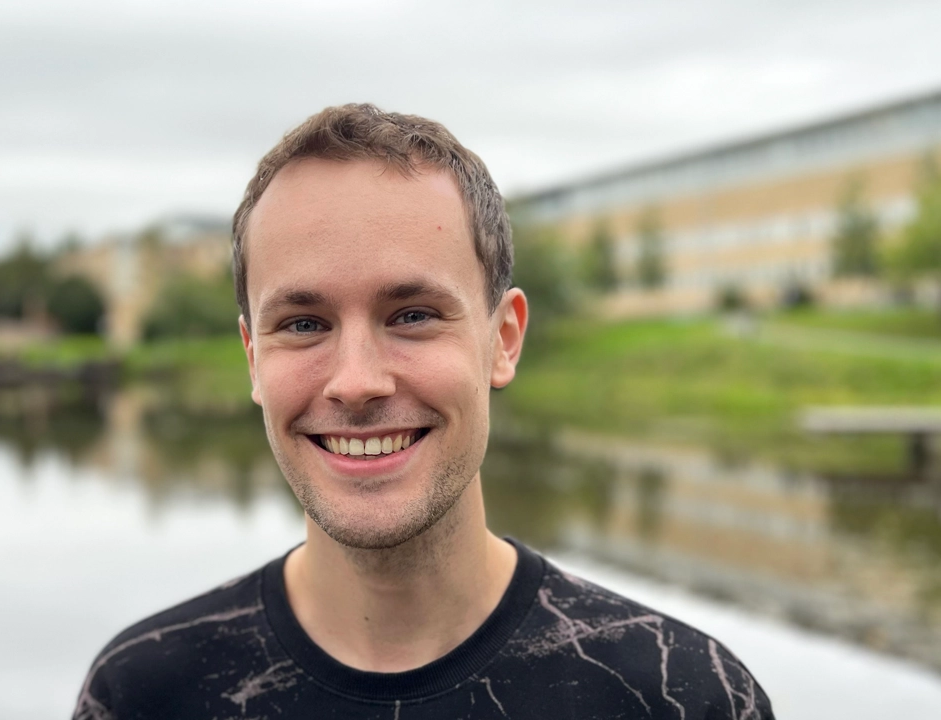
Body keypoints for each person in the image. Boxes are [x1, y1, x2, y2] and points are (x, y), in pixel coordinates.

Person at [72, 104, 774, 719]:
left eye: (411, 315)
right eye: (304, 324)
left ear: (502, 340)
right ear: (253, 357)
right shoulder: (143, 692)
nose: (356, 382)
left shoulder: (680, 697)